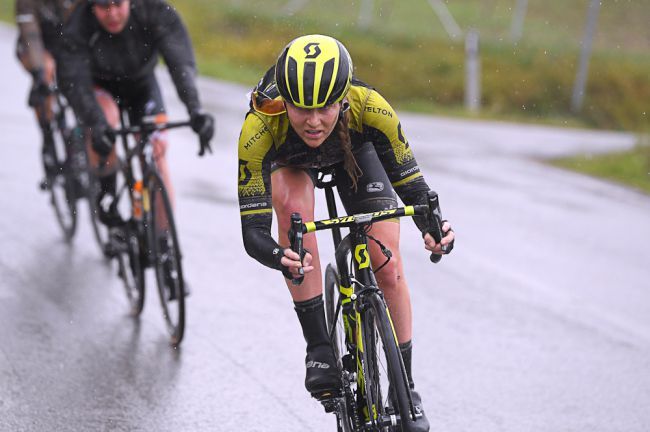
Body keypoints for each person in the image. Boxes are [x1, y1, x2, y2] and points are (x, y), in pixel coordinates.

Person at [238, 34, 455, 431]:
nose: (314, 121)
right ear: (283, 102)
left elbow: (414, 187)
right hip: (292, 162)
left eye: (325, 108)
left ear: (343, 99)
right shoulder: (260, 123)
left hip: (355, 152)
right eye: (302, 109)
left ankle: (405, 386)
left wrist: (433, 226)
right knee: (293, 211)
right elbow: (253, 229)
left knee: (385, 262)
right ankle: (320, 347)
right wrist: (278, 255)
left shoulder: (370, 107)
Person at [57, 0, 214, 229]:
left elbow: (180, 62)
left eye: (118, 4)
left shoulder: (152, 9)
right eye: (104, 7)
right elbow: (74, 81)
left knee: (157, 157)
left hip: (142, 86)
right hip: (99, 87)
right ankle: (107, 191)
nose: (112, 14)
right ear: (92, 6)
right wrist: (95, 123)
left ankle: (161, 244)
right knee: (106, 122)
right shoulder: (79, 23)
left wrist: (195, 108)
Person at [15, 0, 81, 187]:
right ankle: (48, 142)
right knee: (46, 72)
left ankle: (78, 140)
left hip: (65, 44)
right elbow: (31, 35)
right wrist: (39, 74)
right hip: (35, 45)